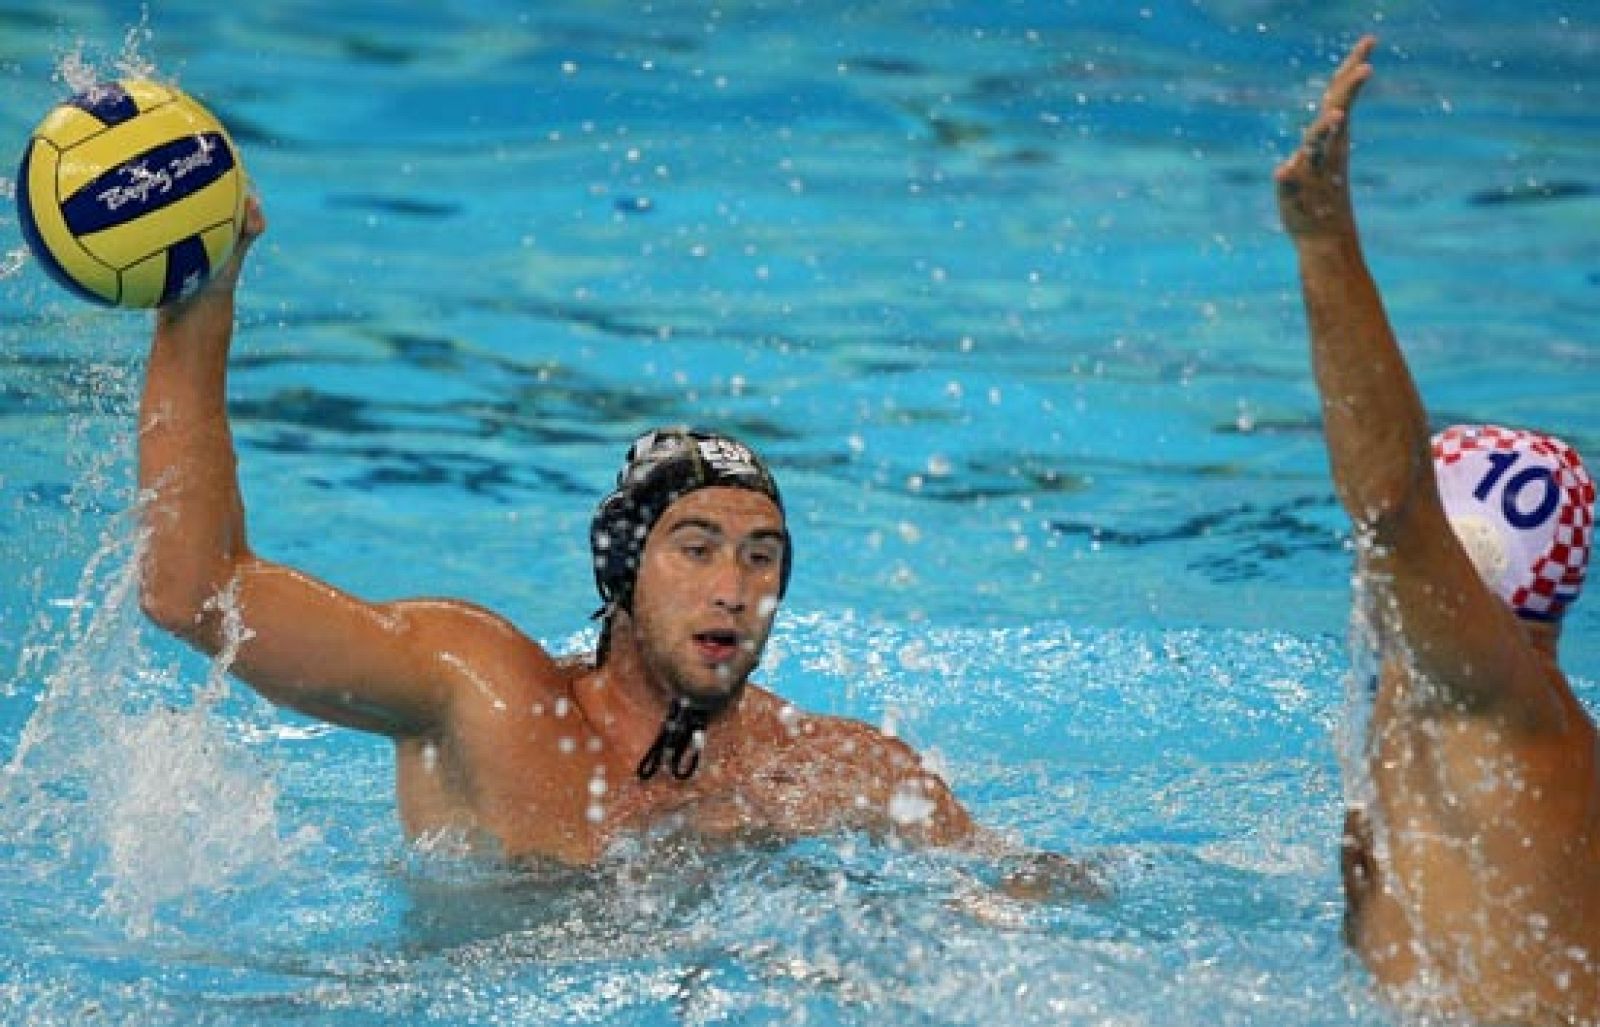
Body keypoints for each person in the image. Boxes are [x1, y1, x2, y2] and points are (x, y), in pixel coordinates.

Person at [137, 199, 1089, 897]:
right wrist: (203, 300)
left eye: (763, 555)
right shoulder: (481, 693)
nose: (734, 587)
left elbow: (1030, 880)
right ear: (622, 569)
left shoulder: (834, 766)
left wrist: (1020, 902)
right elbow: (194, 589)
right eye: (697, 546)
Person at [1277, 35, 1600, 1021]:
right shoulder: (1434, 724)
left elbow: (1389, 503)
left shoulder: (1493, 710)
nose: (1373, 574)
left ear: (1472, 563)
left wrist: (1324, 243)